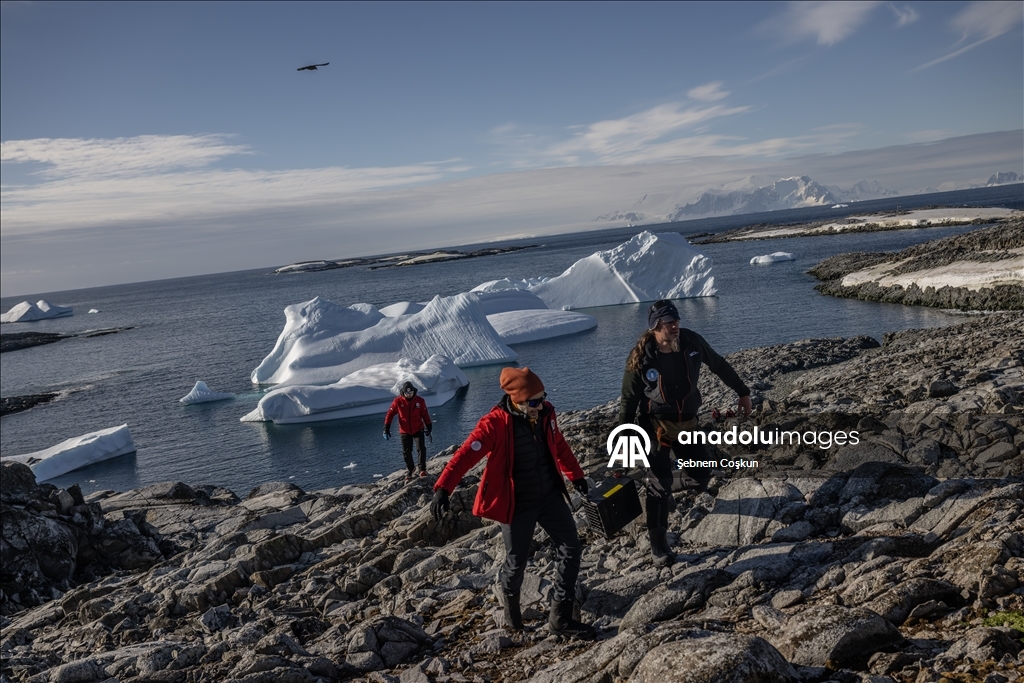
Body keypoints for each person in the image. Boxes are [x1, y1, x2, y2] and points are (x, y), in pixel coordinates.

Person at [430, 367, 595, 639]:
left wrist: (576, 476)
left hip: (550, 496)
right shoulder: (494, 424)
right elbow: (465, 455)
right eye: (534, 402)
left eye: (542, 399)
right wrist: (443, 488)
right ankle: (512, 614)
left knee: (571, 548)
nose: (541, 405)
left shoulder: (546, 414)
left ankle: (560, 619)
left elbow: (560, 445)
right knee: (517, 561)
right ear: (517, 400)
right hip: (517, 505)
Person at [619, 299, 752, 567]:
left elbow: (719, 365)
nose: (675, 325)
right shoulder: (641, 357)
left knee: (700, 478)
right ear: (656, 326)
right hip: (655, 428)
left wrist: (743, 392)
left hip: (688, 425)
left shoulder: (692, 343)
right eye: (669, 322)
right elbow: (628, 401)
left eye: (677, 320)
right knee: (659, 485)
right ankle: (659, 546)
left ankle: (663, 486)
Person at [384, 381, 433, 480]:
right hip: (404, 431)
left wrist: (429, 426)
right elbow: (390, 414)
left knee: (421, 449)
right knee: (406, 452)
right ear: (403, 392)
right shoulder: (398, 401)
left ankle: (422, 469)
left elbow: (425, 414)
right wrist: (386, 427)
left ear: (414, 391)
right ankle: (411, 469)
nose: (409, 394)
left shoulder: (420, 401)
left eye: (411, 392)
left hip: (418, 429)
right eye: (407, 393)